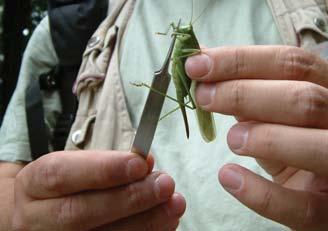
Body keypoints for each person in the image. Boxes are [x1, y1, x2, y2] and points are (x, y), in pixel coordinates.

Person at [1, 0, 328, 230]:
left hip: (193, 93)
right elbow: (7, 177)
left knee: (189, 103)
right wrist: (19, 214)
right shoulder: (70, 27)